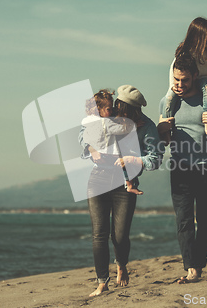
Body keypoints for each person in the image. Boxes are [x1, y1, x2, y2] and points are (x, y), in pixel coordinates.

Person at [80, 85, 163, 296]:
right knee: (99, 234)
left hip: (125, 183)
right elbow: (83, 133)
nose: (118, 112)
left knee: (120, 235)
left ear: (134, 111)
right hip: (98, 178)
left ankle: (122, 264)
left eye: (123, 109)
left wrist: (135, 159)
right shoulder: (109, 116)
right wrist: (90, 149)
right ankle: (101, 282)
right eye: (117, 107)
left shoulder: (147, 127)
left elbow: (155, 160)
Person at [158, 52, 207, 284]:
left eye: (184, 80)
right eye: (176, 80)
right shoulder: (168, 102)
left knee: (206, 219)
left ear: (194, 76)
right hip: (180, 167)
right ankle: (192, 269)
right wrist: (162, 130)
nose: (179, 85)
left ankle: (198, 264)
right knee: (183, 220)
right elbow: (162, 142)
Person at [162, 17, 207, 141]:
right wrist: (173, 85)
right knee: (169, 98)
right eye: (205, 37)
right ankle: (167, 130)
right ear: (196, 37)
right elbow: (174, 66)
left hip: (203, 79)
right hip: (179, 161)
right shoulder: (186, 50)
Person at [81, 89, 143, 195]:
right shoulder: (106, 122)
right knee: (125, 166)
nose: (112, 112)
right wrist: (134, 125)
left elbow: (83, 137)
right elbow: (122, 130)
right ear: (98, 110)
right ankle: (130, 185)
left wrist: (90, 148)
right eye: (109, 109)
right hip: (108, 154)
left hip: (99, 160)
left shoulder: (88, 121)